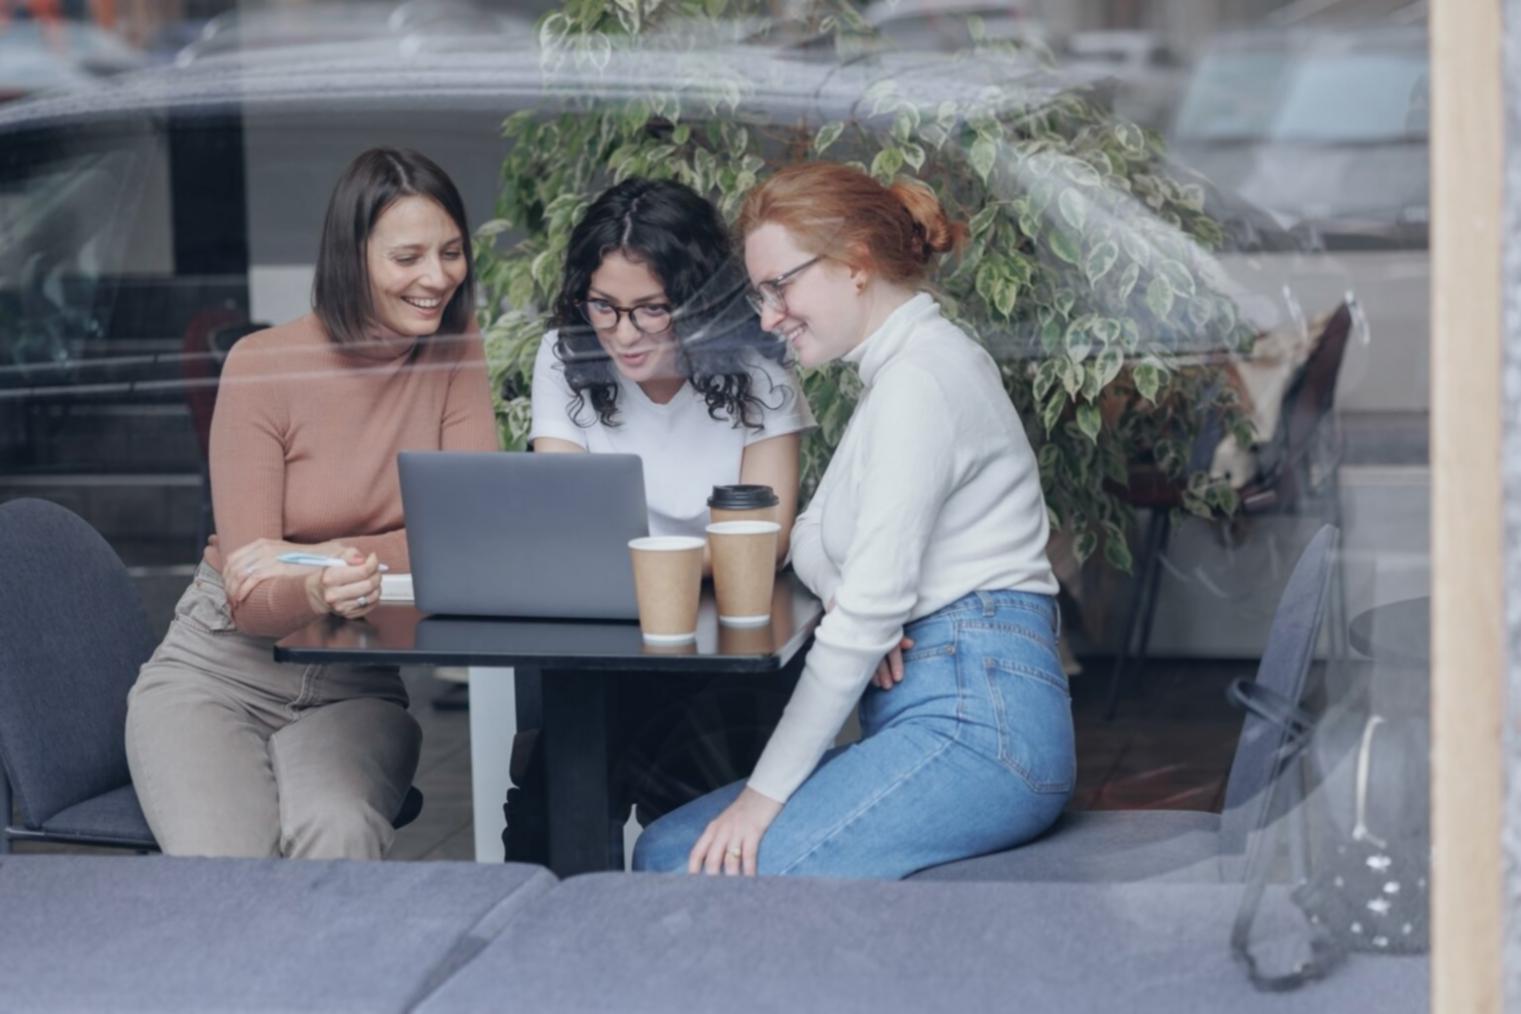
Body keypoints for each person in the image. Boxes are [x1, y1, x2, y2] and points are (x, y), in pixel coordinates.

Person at [632, 161, 1075, 879]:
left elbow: (867, 621)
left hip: (979, 726)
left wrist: (760, 799)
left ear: (854, 265)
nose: (769, 315)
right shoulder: (894, 379)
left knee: (691, 865)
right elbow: (807, 533)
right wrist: (844, 586)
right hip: (944, 709)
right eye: (759, 293)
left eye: (781, 286)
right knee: (665, 849)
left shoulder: (920, 382)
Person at [125, 148, 498, 859]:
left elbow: (467, 538)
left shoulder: (457, 348)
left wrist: (317, 561)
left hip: (353, 683)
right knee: (227, 864)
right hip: (219, 671)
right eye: (408, 256)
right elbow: (252, 599)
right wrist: (339, 571)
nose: (437, 277)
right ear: (350, 258)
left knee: (339, 829)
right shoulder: (264, 364)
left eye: (451, 253)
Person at [502, 177, 815, 860]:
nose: (623, 333)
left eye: (651, 310)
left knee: (694, 814)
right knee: (545, 826)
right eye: (604, 308)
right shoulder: (566, 356)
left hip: (724, 642)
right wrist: (695, 555)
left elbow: (769, 542)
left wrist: (642, 563)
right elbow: (566, 523)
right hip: (609, 639)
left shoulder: (759, 371)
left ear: (700, 302)